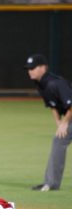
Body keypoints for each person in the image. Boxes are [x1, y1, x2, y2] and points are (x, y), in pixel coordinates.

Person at [24, 53, 72, 191]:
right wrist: (59, 123)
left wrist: (64, 124)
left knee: (59, 140)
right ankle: (51, 182)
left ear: (43, 68)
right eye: (28, 68)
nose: (30, 71)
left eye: (33, 68)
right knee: (59, 138)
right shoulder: (41, 84)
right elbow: (53, 106)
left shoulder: (55, 83)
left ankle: (51, 183)